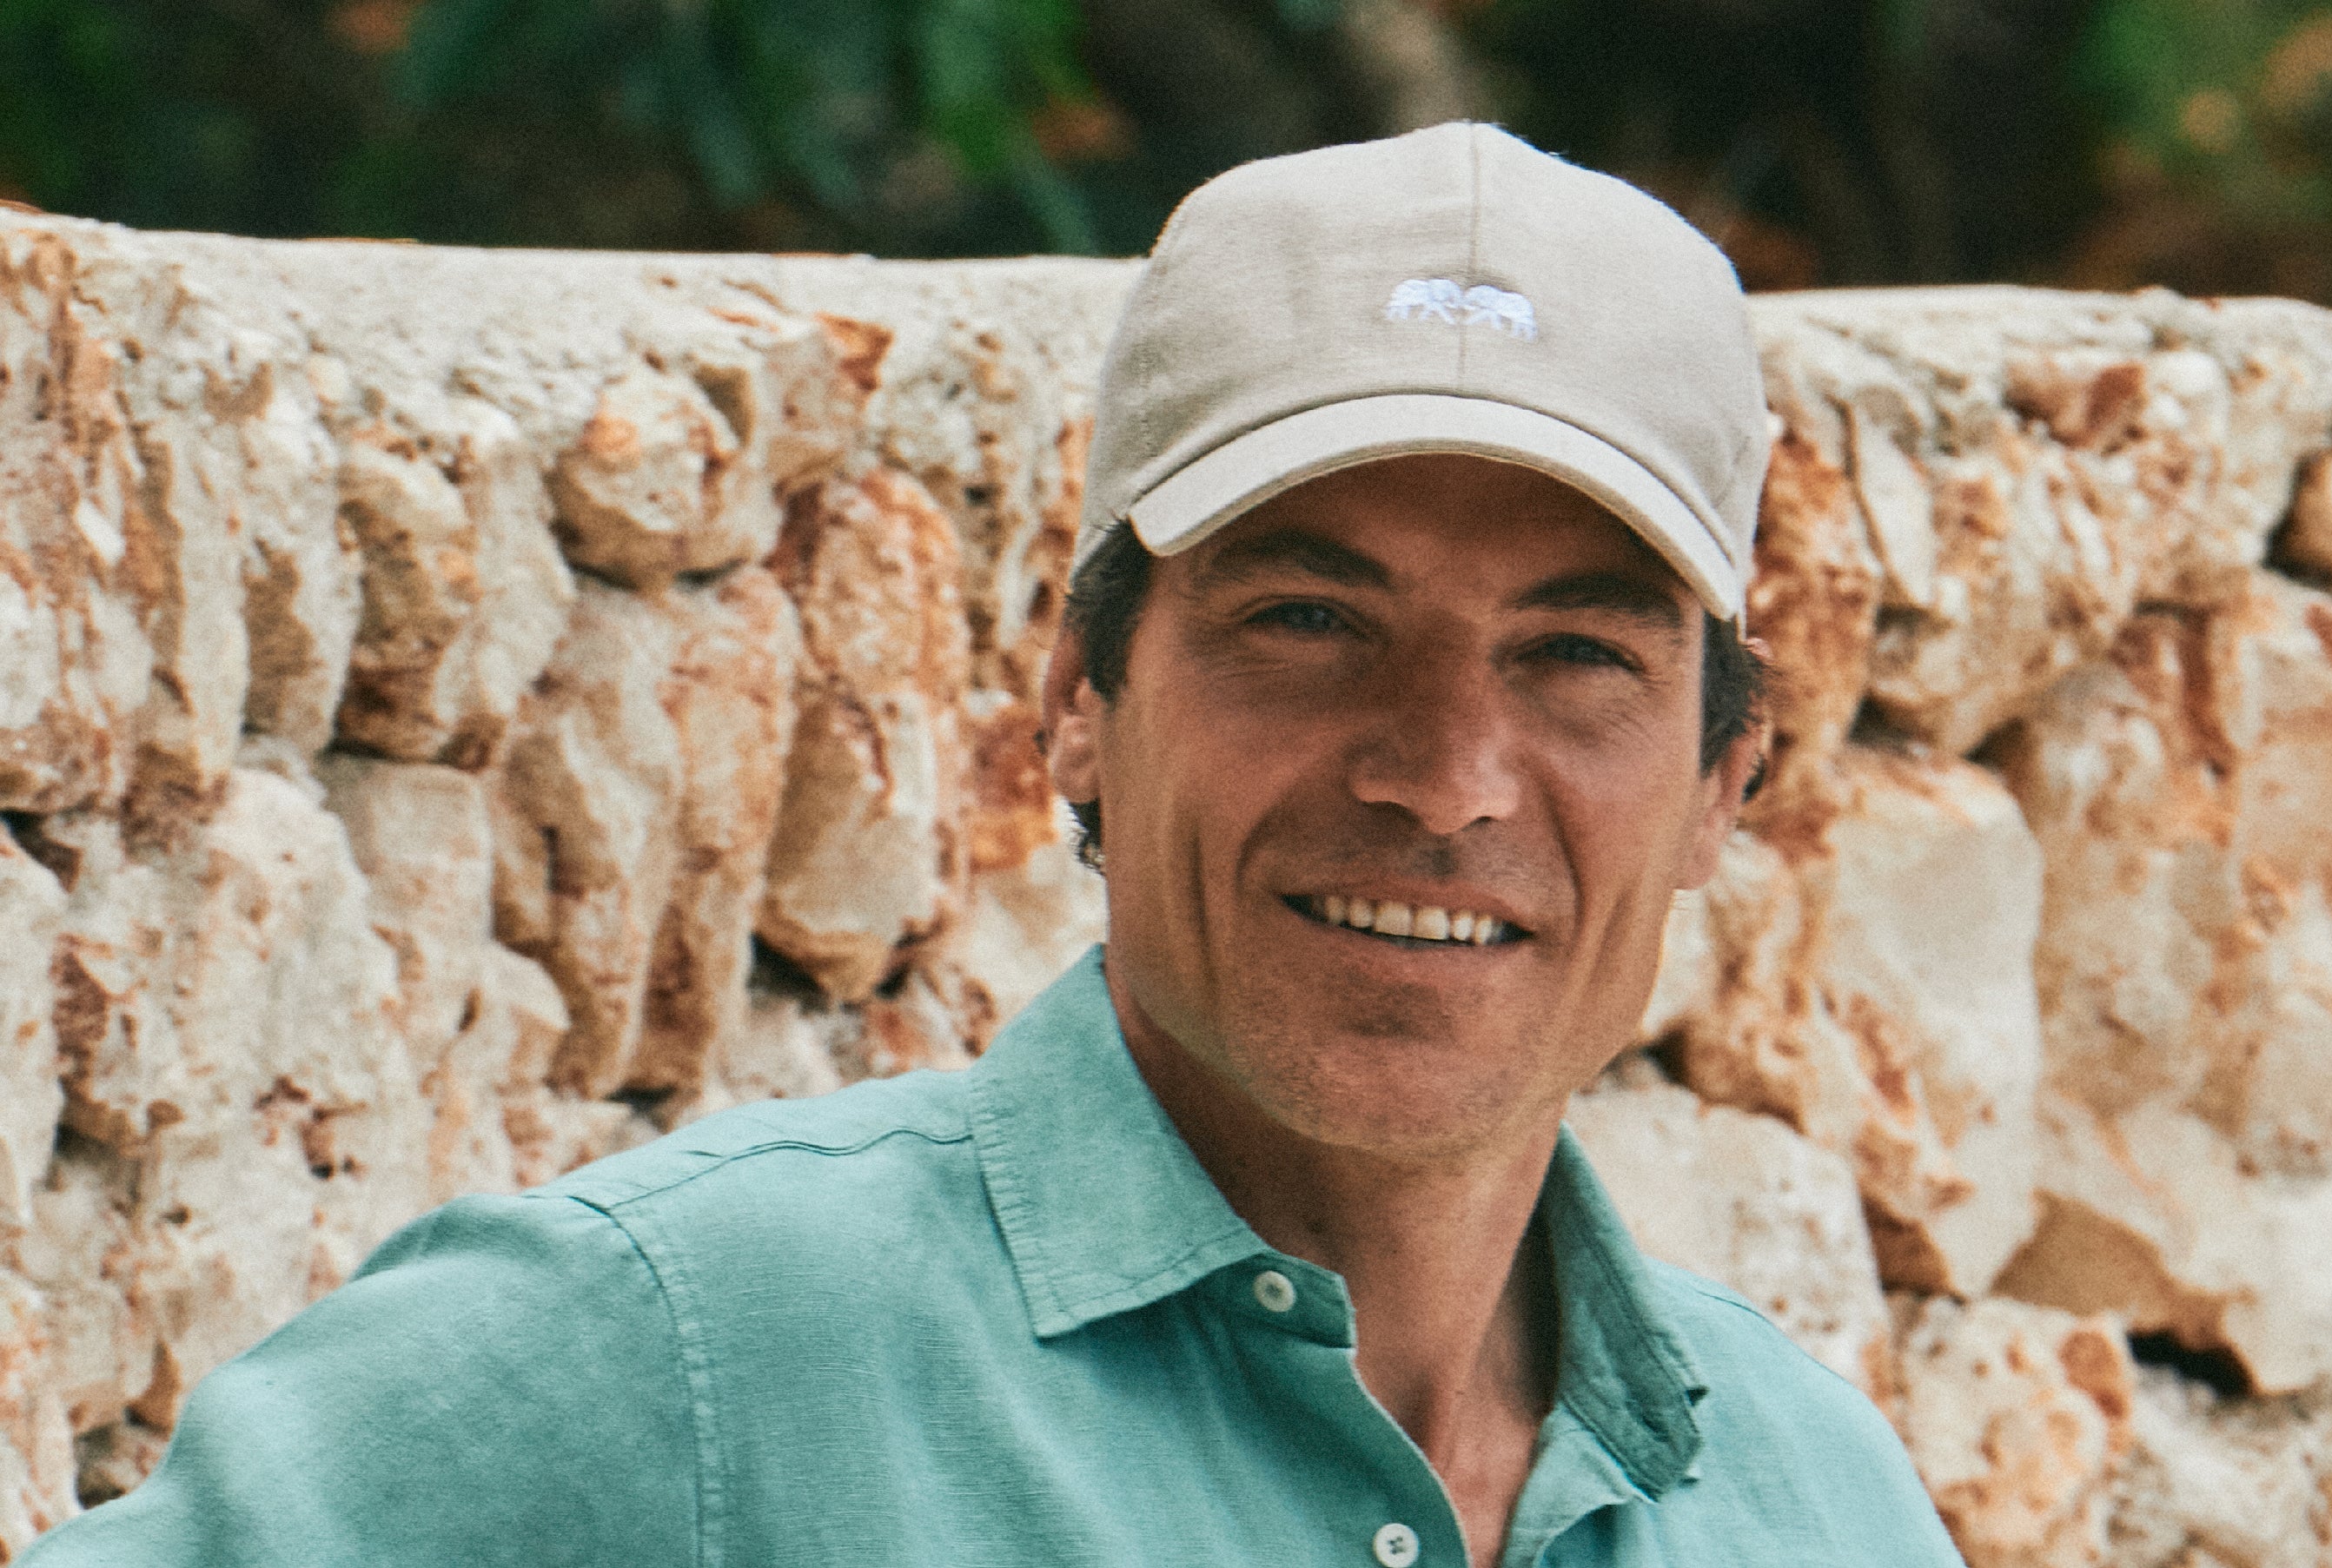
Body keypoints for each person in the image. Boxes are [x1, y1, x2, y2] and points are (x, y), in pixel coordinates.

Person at [27, 122, 1964, 1568]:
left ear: (1723, 780)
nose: (1447, 778)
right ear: (1074, 699)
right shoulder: (682, 1354)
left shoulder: (1814, 1503)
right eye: (1310, 621)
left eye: (1570, 657)